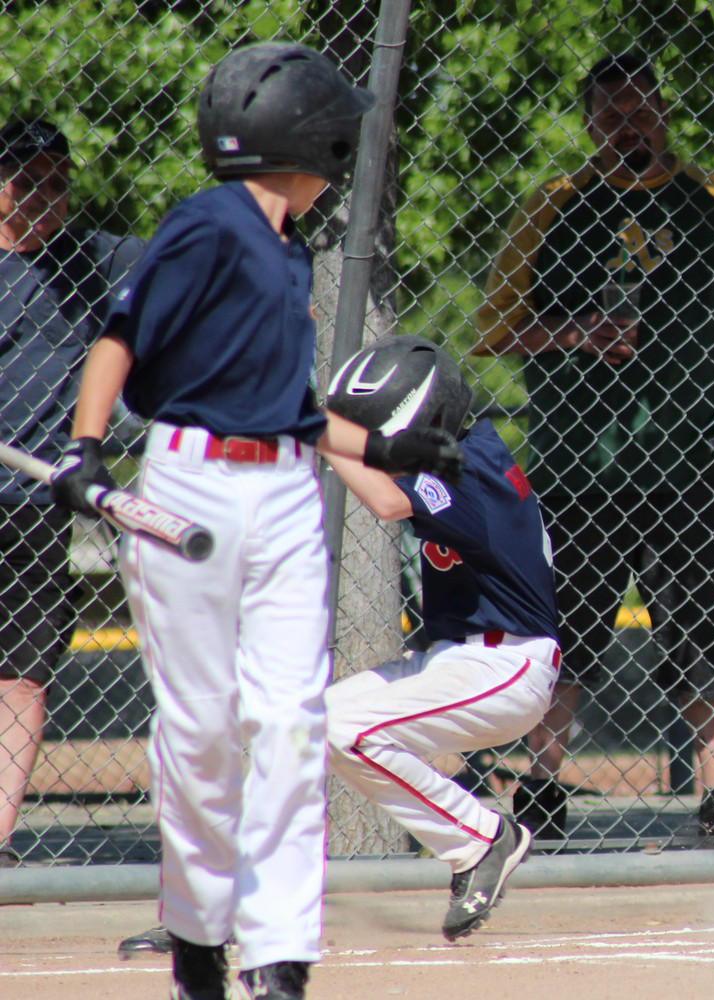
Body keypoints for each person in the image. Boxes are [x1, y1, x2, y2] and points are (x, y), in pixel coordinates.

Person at [50, 43, 461, 1000]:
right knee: (200, 730)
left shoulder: (289, 251)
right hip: (189, 485)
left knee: (287, 722)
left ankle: (279, 958)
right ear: (306, 140)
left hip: (281, 493)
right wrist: (85, 446)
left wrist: (384, 446)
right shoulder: (207, 224)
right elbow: (120, 340)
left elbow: (294, 413)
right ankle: (199, 934)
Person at [473, 53, 714, 840]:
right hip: (582, 468)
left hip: (691, 468)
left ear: (664, 116)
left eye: (642, 112)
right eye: (612, 116)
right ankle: (541, 791)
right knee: (566, 636)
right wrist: (575, 333)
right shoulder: (556, 206)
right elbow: (494, 329)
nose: (629, 128)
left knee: (705, 635)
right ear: (589, 125)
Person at [319, 335, 558, 942]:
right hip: (456, 661)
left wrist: (307, 426)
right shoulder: (467, 454)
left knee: (346, 729)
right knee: (298, 726)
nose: (374, 452)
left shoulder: (468, 466)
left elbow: (384, 501)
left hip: (505, 667)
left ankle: (482, 838)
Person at [0, 117, 144, 867]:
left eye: (57, 185)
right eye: (26, 183)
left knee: (21, 673)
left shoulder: (90, 262)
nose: (42, 199)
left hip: (34, 500)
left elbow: (184, 265)